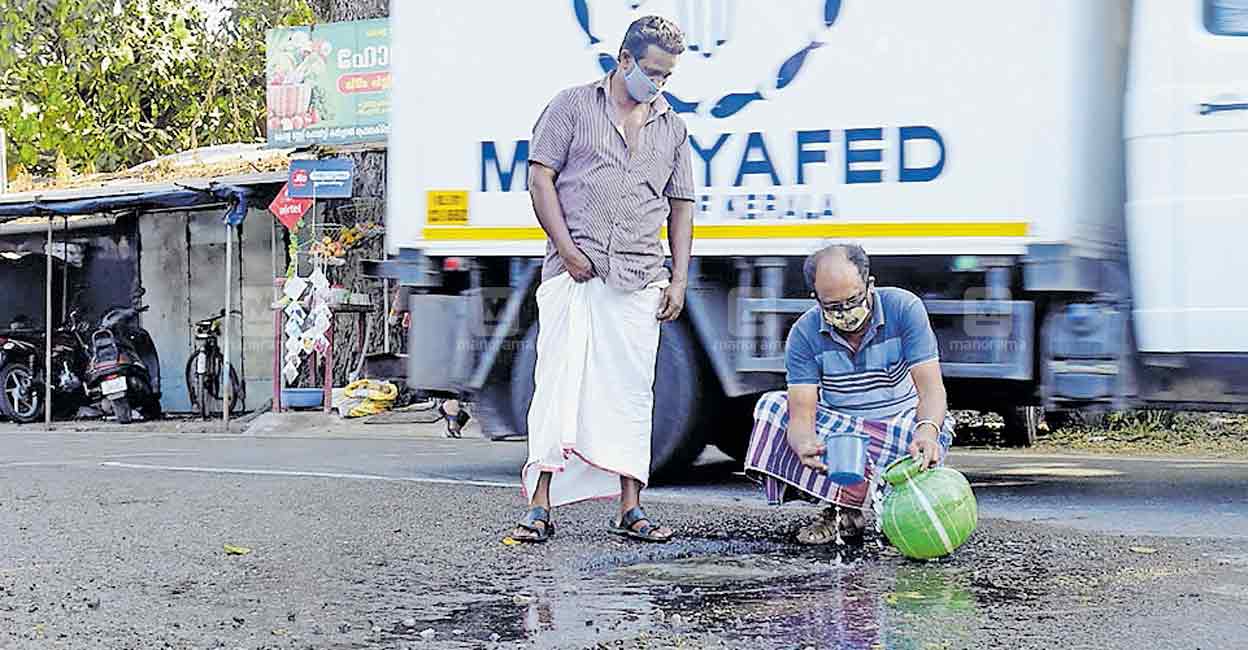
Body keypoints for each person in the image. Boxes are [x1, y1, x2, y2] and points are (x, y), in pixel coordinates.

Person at [508, 15, 696, 544]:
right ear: (624, 60)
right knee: (559, 387)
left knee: (631, 395)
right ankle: (540, 506)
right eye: (652, 71)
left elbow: (681, 207)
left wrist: (678, 280)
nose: (658, 84)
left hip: (639, 277)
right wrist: (567, 251)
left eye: (667, 76)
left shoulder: (672, 127)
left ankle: (630, 508)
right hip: (575, 273)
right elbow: (539, 176)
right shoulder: (571, 106)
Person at [743, 243, 956, 544]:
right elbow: (801, 413)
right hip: (844, 437)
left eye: (853, 300)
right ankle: (843, 509)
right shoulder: (804, 333)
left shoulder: (904, 308)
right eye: (832, 307)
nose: (845, 313)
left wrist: (927, 431)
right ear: (815, 299)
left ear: (870, 285)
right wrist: (804, 443)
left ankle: (895, 507)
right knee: (770, 408)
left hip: (900, 426)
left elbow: (932, 390)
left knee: (929, 426)